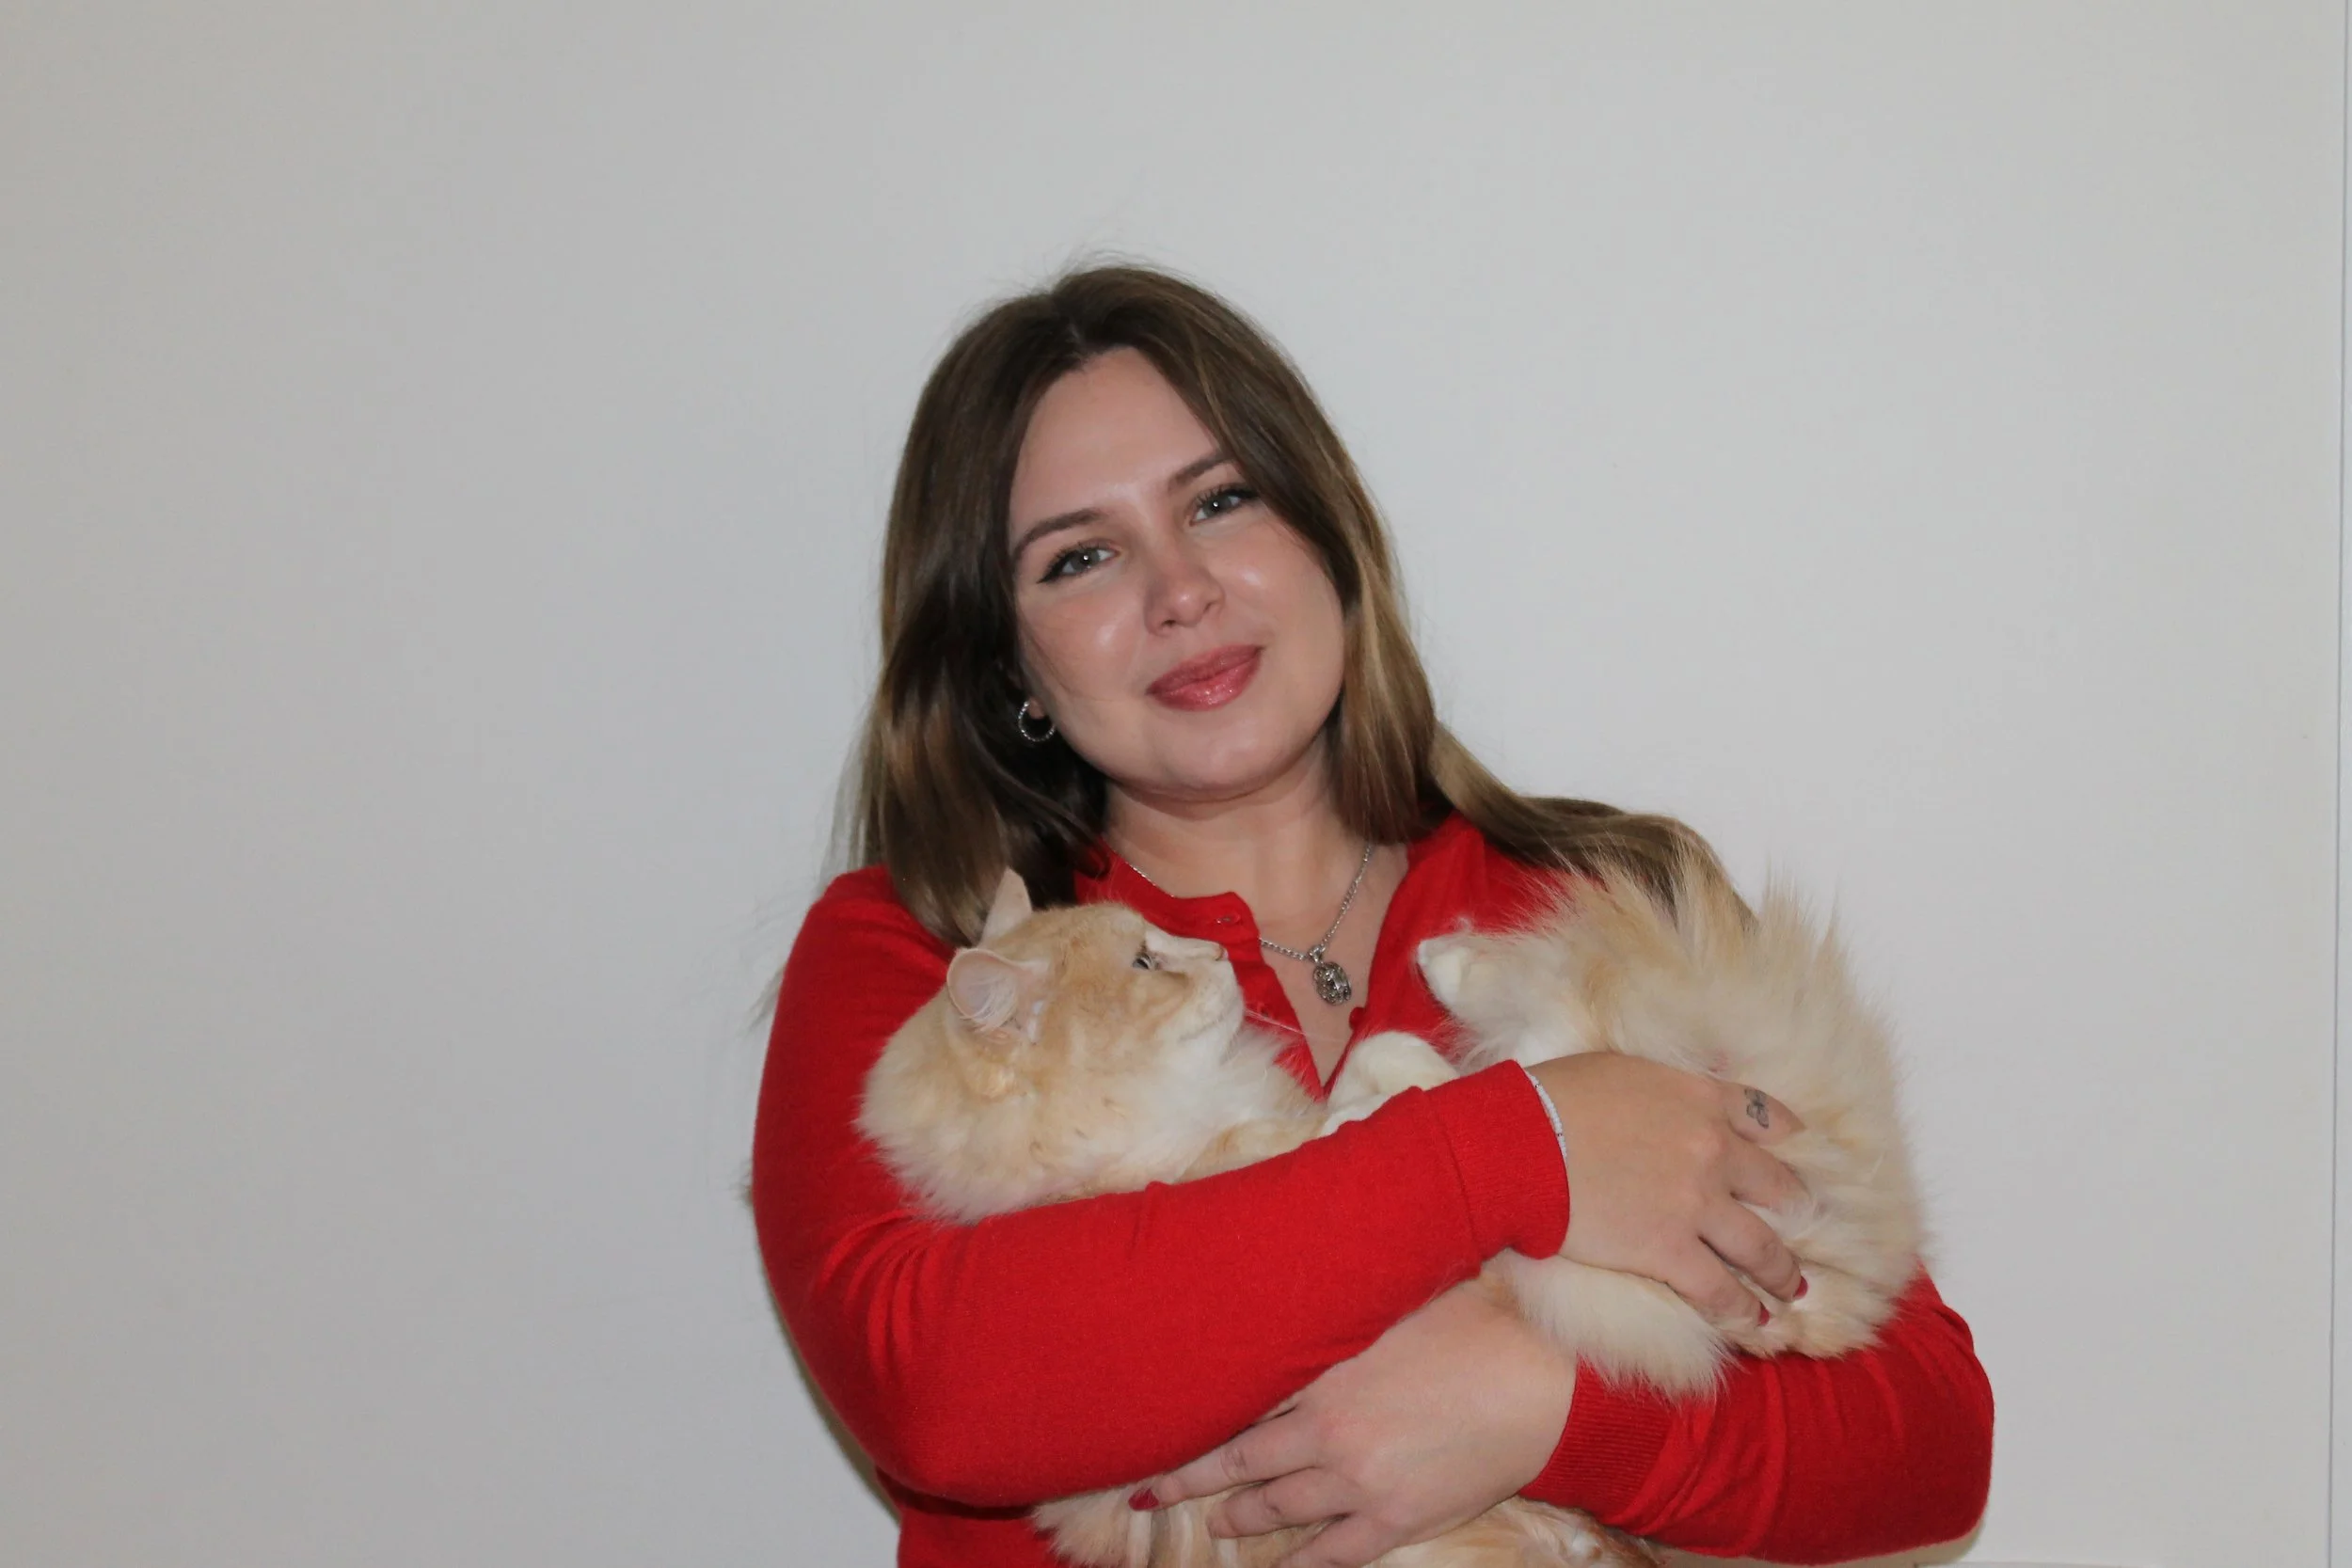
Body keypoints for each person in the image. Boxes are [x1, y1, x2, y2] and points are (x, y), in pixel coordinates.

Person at [750, 264, 1993, 1568]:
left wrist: (1545, 1411)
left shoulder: (1609, 907)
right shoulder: (916, 952)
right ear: (1012, 667)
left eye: (1221, 500)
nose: (1180, 591)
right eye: (1082, 556)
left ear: (1327, 538)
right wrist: (1526, 1149)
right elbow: (946, 1393)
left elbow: (1927, 1448)